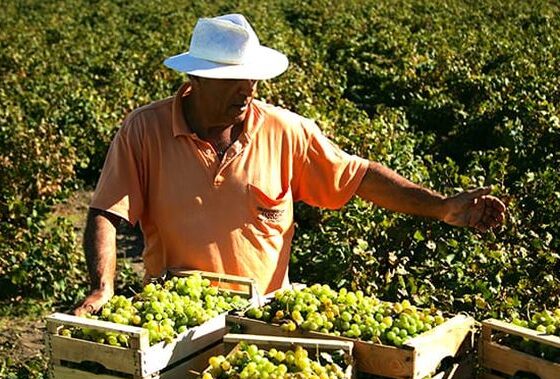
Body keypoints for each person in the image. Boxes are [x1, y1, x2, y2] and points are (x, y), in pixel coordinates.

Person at [74, 14, 506, 316]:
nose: (247, 90)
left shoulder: (285, 130)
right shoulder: (144, 130)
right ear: (196, 79)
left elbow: (358, 177)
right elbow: (108, 211)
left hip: (264, 317)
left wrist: (441, 207)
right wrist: (103, 286)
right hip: (177, 315)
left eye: (252, 78)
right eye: (232, 80)